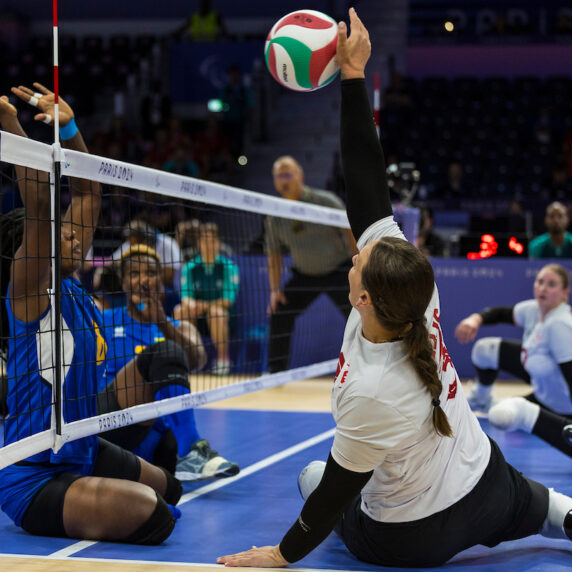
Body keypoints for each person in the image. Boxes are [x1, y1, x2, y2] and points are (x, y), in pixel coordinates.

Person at [217, 10, 572, 568]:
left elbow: (335, 490)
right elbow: (366, 181)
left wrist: (282, 556)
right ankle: (562, 513)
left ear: (361, 300)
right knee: (538, 505)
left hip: (416, 535)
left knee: (313, 475)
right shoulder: (414, 292)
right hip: (486, 481)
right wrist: (353, 74)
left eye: (359, 259)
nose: (357, 251)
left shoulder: (373, 387)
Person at [0, 83, 182, 543]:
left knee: (170, 487)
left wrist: (70, 127)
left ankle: (100, 484)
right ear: (35, 250)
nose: (76, 238)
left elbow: (88, 191)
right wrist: (11, 126)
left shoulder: (71, 281)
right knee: (153, 515)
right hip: (33, 470)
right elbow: (40, 205)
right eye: (63, 235)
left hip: (79, 445)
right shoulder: (29, 292)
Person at [99, 244, 240, 480]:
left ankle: (187, 456)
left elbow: (197, 359)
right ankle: (188, 451)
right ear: (123, 282)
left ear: (161, 280)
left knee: (168, 486)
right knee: (164, 353)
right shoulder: (102, 320)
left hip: (158, 433)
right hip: (115, 425)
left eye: (151, 273)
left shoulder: (177, 326)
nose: (143, 280)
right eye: (134, 274)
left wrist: (162, 322)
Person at [454, 263, 572, 457]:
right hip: (543, 387)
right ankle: (481, 399)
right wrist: (474, 320)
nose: (543, 288)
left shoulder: (560, 325)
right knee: (486, 349)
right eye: (540, 281)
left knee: (503, 416)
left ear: (564, 293)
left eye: (552, 284)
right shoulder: (533, 310)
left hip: (562, 407)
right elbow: (499, 313)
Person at [265, 155, 357, 373]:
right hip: (305, 275)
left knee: (361, 314)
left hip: (339, 270)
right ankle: (275, 372)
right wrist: (275, 290)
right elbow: (274, 254)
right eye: (279, 176)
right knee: (280, 311)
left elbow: (350, 233)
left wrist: (360, 271)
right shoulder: (274, 215)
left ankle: (365, 366)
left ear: (300, 176)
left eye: (288, 174)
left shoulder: (326, 201)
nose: (283, 179)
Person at [174, 222, 239, 376]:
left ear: (219, 243)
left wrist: (204, 305)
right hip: (197, 318)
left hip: (224, 320)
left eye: (213, 241)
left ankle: (223, 361)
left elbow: (228, 300)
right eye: (205, 241)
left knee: (216, 312)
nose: (209, 245)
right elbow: (186, 297)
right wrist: (193, 305)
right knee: (180, 311)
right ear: (199, 244)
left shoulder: (228, 267)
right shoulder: (190, 267)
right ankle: (186, 361)